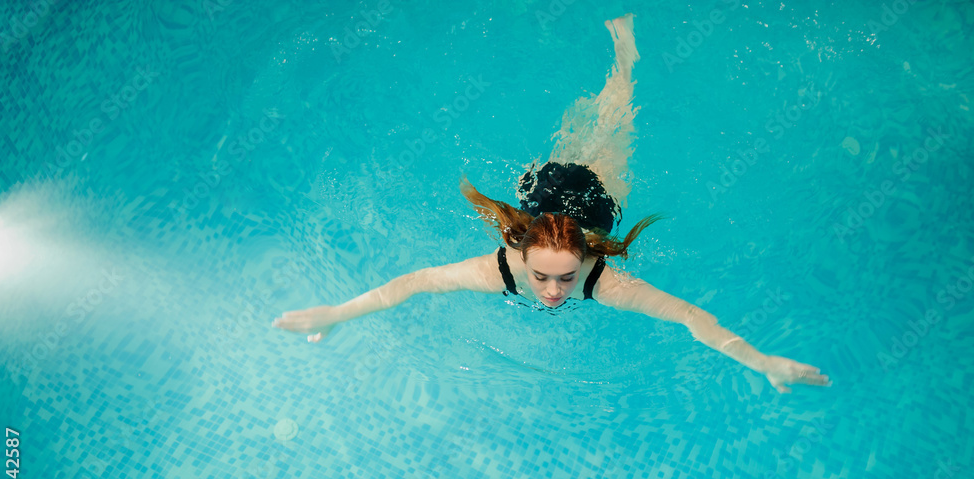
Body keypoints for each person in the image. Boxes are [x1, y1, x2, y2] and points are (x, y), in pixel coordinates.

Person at [273, 14, 830, 394]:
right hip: (541, 197)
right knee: (582, 140)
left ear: (588, 259)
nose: (553, 291)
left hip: (592, 199)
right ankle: (619, 68)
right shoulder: (503, 267)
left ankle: (624, 61)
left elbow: (688, 316)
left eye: (567, 279)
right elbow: (414, 283)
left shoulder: (602, 280)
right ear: (521, 253)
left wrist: (761, 361)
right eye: (544, 277)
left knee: (612, 122)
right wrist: (336, 316)